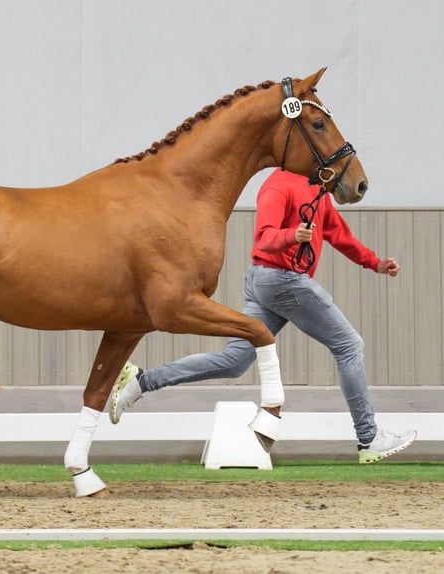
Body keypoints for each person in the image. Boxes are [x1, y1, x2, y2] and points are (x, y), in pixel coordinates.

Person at [109, 168, 416, 463]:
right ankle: (368, 438)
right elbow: (264, 238)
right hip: (281, 280)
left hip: (269, 283)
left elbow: (338, 234)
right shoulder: (277, 185)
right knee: (349, 346)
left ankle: (141, 382)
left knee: (234, 362)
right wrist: (292, 236)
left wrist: (374, 262)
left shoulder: (318, 187)